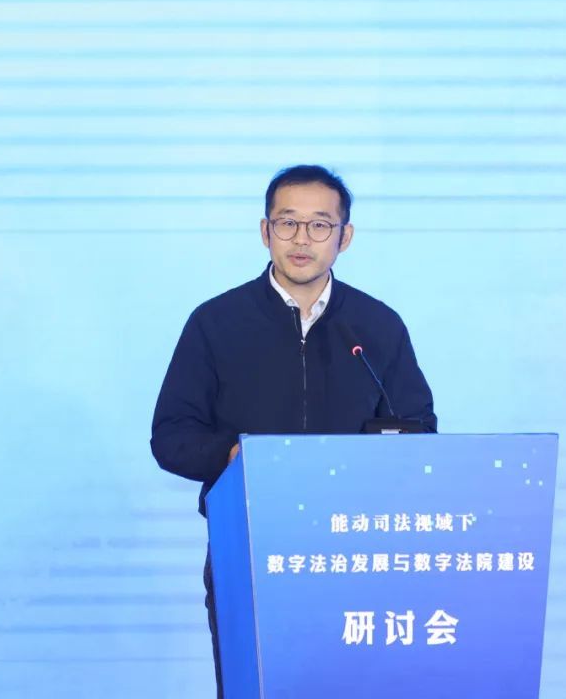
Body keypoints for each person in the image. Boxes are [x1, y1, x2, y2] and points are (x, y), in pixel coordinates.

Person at [149, 164, 437, 697]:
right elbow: (171, 436)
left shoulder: (376, 326)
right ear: (266, 231)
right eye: (287, 222)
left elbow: (418, 428)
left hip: (354, 550)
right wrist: (233, 455)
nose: (302, 239)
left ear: (344, 237)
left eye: (320, 225)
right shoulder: (216, 323)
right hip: (248, 547)